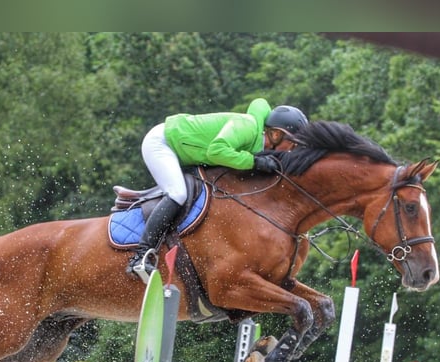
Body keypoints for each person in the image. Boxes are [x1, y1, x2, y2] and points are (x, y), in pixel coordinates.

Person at [126, 99, 309, 279]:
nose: (292, 150)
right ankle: (140, 256)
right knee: (178, 193)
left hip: (188, 153)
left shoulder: (261, 142)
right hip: (163, 142)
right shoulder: (247, 126)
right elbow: (216, 151)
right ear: (276, 134)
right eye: (292, 144)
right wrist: (254, 161)